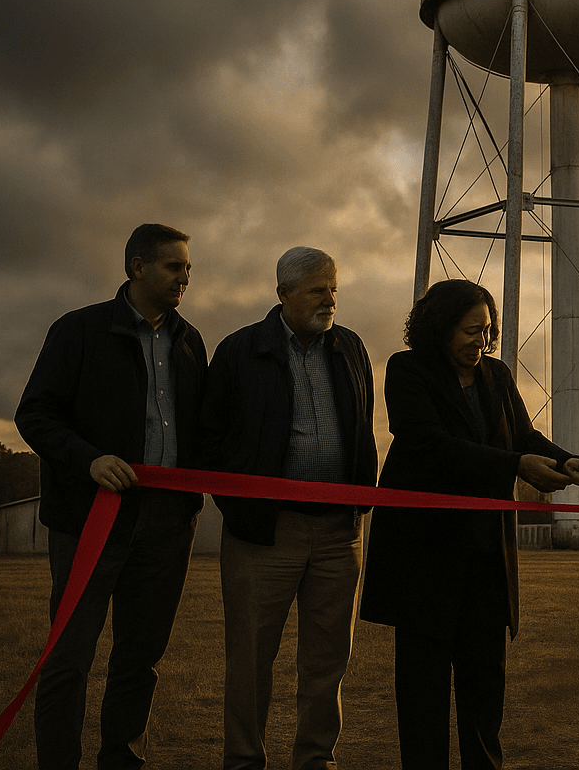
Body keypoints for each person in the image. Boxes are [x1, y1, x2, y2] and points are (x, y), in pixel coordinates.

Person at [360, 279, 579, 770]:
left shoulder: (496, 374)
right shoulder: (407, 370)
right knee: (423, 696)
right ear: (440, 327)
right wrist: (515, 465)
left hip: (486, 561)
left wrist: (568, 460)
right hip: (424, 562)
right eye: (471, 331)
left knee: (485, 691)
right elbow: (430, 445)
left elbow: (523, 436)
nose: (482, 341)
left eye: (487, 330)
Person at [15, 222, 206, 770]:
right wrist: (89, 459)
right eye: (174, 267)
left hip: (167, 527)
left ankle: (121, 762)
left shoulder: (190, 341)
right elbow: (34, 414)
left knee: (140, 661)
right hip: (89, 522)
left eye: (188, 268)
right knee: (68, 661)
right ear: (137, 267)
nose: (185, 278)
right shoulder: (77, 330)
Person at [201, 246, 378, 770]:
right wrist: (244, 510)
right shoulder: (240, 350)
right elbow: (210, 439)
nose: (330, 299)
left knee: (328, 659)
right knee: (251, 659)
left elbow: (363, 424)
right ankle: (243, 760)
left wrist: (358, 498)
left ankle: (316, 759)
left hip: (339, 534)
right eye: (318, 289)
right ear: (283, 293)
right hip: (264, 534)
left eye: (334, 288)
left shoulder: (351, 347)